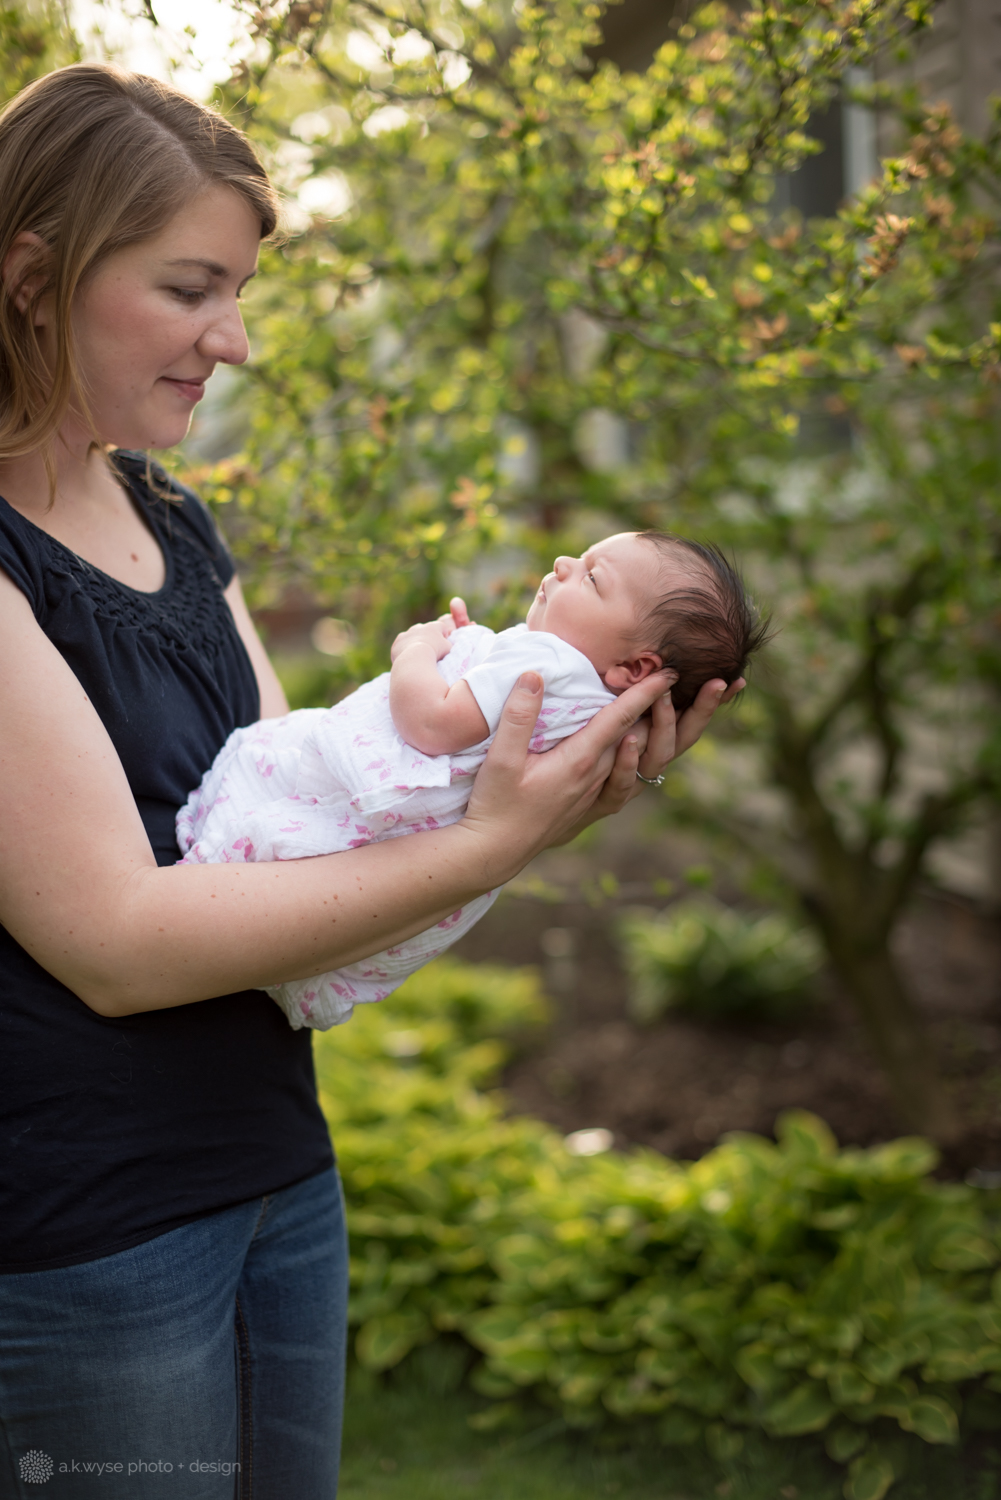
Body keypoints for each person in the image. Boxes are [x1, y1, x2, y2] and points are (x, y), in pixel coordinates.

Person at [0, 62, 743, 1500]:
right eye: (190, 288)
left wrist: (526, 776)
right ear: (35, 274)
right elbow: (115, 949)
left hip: (278, 1170)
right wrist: (486, 852)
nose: (233, 340)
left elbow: (297, 810)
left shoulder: (168, 515)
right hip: (86, 1228)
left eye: (240, 294)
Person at [179, 531, 764, 1030]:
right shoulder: (605, 720)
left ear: (635, 669)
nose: (562, 565)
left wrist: (415, 651)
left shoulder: (546, 661)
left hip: (384, 806)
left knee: (275, 784)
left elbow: (433, 725)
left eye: (591, 578)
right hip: (432, 860)